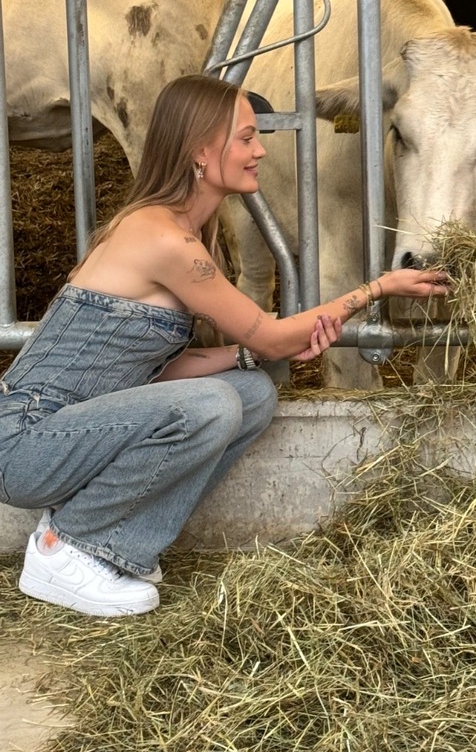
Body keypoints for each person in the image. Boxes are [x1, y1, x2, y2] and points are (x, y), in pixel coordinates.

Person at [0, 73, 447, 617]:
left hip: (78, 427)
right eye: (246, 138)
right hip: (24, 443)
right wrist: (377, 288)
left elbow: (148, 374)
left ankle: (123, 542)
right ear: (199, 153)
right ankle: (66, 547)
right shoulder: (166, 240)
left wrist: (248, 356)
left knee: (250, 393)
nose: (260, 150)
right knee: (209, 404)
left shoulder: (181, 232)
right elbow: (275, 333)